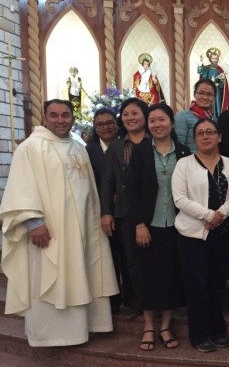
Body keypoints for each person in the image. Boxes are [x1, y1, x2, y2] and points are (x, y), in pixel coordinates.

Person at [0, 99, 118, 347]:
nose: (60, 120)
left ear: (72, 118)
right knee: (51, 275)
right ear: (44, 117)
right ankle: (50, 335)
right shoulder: (31, 148)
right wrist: (34, 223)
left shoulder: (77, 144)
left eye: (65, 115)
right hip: (50, 230)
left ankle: (85, 327)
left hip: (83, 228)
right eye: (54, 115)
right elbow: (22, 187)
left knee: (82, 270)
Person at [172, 118, 229, 353]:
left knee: (217, 285)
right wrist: (208, 216)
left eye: (210, 132)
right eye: (200, 133)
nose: (205, 136)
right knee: (196, 287)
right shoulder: (184, 164)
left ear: (219, 137)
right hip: (192, 235)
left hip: (221, 234)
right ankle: (200, 334)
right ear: (195, 138)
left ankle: (218, 330)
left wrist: (219, 215)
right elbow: (180, 199)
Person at [126, 102, 190, 351]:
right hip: (148, 225)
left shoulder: (184, 152)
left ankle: (166, 325)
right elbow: (131, 191)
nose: (157, 124)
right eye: (152, 120)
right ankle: (149, 326)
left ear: (171, 122)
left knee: (172, 276)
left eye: (162, 119)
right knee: (148, 276)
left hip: (177, 225)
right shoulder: (140, 152)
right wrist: (139, 223)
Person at [101, 98, 150, 310]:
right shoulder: (117, 146)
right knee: (130, 260)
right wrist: (106, 212)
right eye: (126, 114)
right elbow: (107, 182)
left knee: (153, 260)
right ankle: (135, 302)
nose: (130, 118)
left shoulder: (154, 141)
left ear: (145, 115)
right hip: (124, 212)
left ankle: (156, 302)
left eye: (135, 113)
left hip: (153, 211)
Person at [86, 108, 122, 313]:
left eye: (109, 122)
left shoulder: (125, 144)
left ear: (117, 124)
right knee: (107, 255)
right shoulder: (87, 150)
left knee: (125, 254)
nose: (105, 127)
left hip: (125, 210)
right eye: (100, 124)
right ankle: (112, 298)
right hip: (100, 210)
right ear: (95, 128)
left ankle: (130, 296)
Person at [175, 78, 217, 152]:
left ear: (214, 97)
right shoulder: (183, 117)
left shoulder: (214, 120)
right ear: (194, 94)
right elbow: (178, 147)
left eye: (209, 94)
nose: (205, 97)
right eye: (201, 93)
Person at [198, 47, 229, 118]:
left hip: (217, 92)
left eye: (216, 59)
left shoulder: (220, 69)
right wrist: (201, 61)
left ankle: (217, 118)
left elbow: (222, 86)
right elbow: (200, 71)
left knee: (217, 107)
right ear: (210, 59)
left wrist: (222, 80)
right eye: (213, 58)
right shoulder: (207, 68)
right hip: (207, 92)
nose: (214, 60)